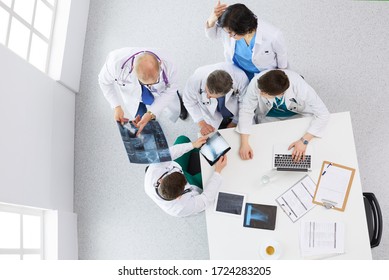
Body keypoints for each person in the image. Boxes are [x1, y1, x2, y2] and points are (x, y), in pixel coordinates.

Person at [237, 69, 330, 161]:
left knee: (305, 148)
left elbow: (324, 114)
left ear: (280, 94)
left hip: (298, 115)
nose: (259, 93)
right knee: (267, 149)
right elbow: (246, 110)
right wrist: (244, 143)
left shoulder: (300, 86)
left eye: (263, 93)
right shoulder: (257, 83)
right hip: (269, 117)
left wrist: (304, 141)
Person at [98, 48, 188, 135]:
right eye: (145, 83)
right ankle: (151, 124)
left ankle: (178, 107)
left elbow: (170, 90)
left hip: (161, 90)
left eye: (154, 81)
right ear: (133, 68)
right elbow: (103, 82)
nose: (149, 86)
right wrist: (116, 106)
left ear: (160, 63)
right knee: (141, 118)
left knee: (170, 101)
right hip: (133, 94)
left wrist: (151, 113)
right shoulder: (115, 63)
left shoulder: (169, 64)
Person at [144, 135, 228, 217]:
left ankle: (195, 152)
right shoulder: (180, 208)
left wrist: (193, 144)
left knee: (182, 139)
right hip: (192, 185)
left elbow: (169, 153)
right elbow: (206, 199)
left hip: (176, 170)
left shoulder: (153, 171)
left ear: (161, 180)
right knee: (214, 174)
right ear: (179, 197)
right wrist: (217, 171)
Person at [205, 1, 288, 80]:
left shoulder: (273, 35)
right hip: (237, 69)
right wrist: (211, 20)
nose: (229, 36)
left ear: (244, 29)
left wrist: (279, 78)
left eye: (232, 33)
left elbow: (282, 57)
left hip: (264, 73)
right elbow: (212, 36)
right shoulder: (228, 26)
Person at [183, 62, 249, 136]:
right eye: (206, 91)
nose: (207, 97)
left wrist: (235, 121)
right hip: (212, 116)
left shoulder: (240, 78)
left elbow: (245, 104)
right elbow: (188, 102)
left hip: (234, 111)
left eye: (211, 96)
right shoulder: (194, 81)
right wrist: (202, 123)